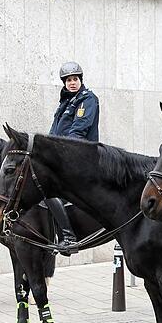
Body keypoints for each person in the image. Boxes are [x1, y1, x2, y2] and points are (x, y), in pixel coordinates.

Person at [47, 62, 101, 251]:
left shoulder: (87, 99)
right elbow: (54, 132)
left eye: (75, 79)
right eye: (68, 80)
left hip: (79, 156)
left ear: (80, 80)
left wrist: (58, 153)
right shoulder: (65, 103)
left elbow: (78, 131)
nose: (72, 83)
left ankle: (68, 237)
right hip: (63, 155)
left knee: (49, 190)